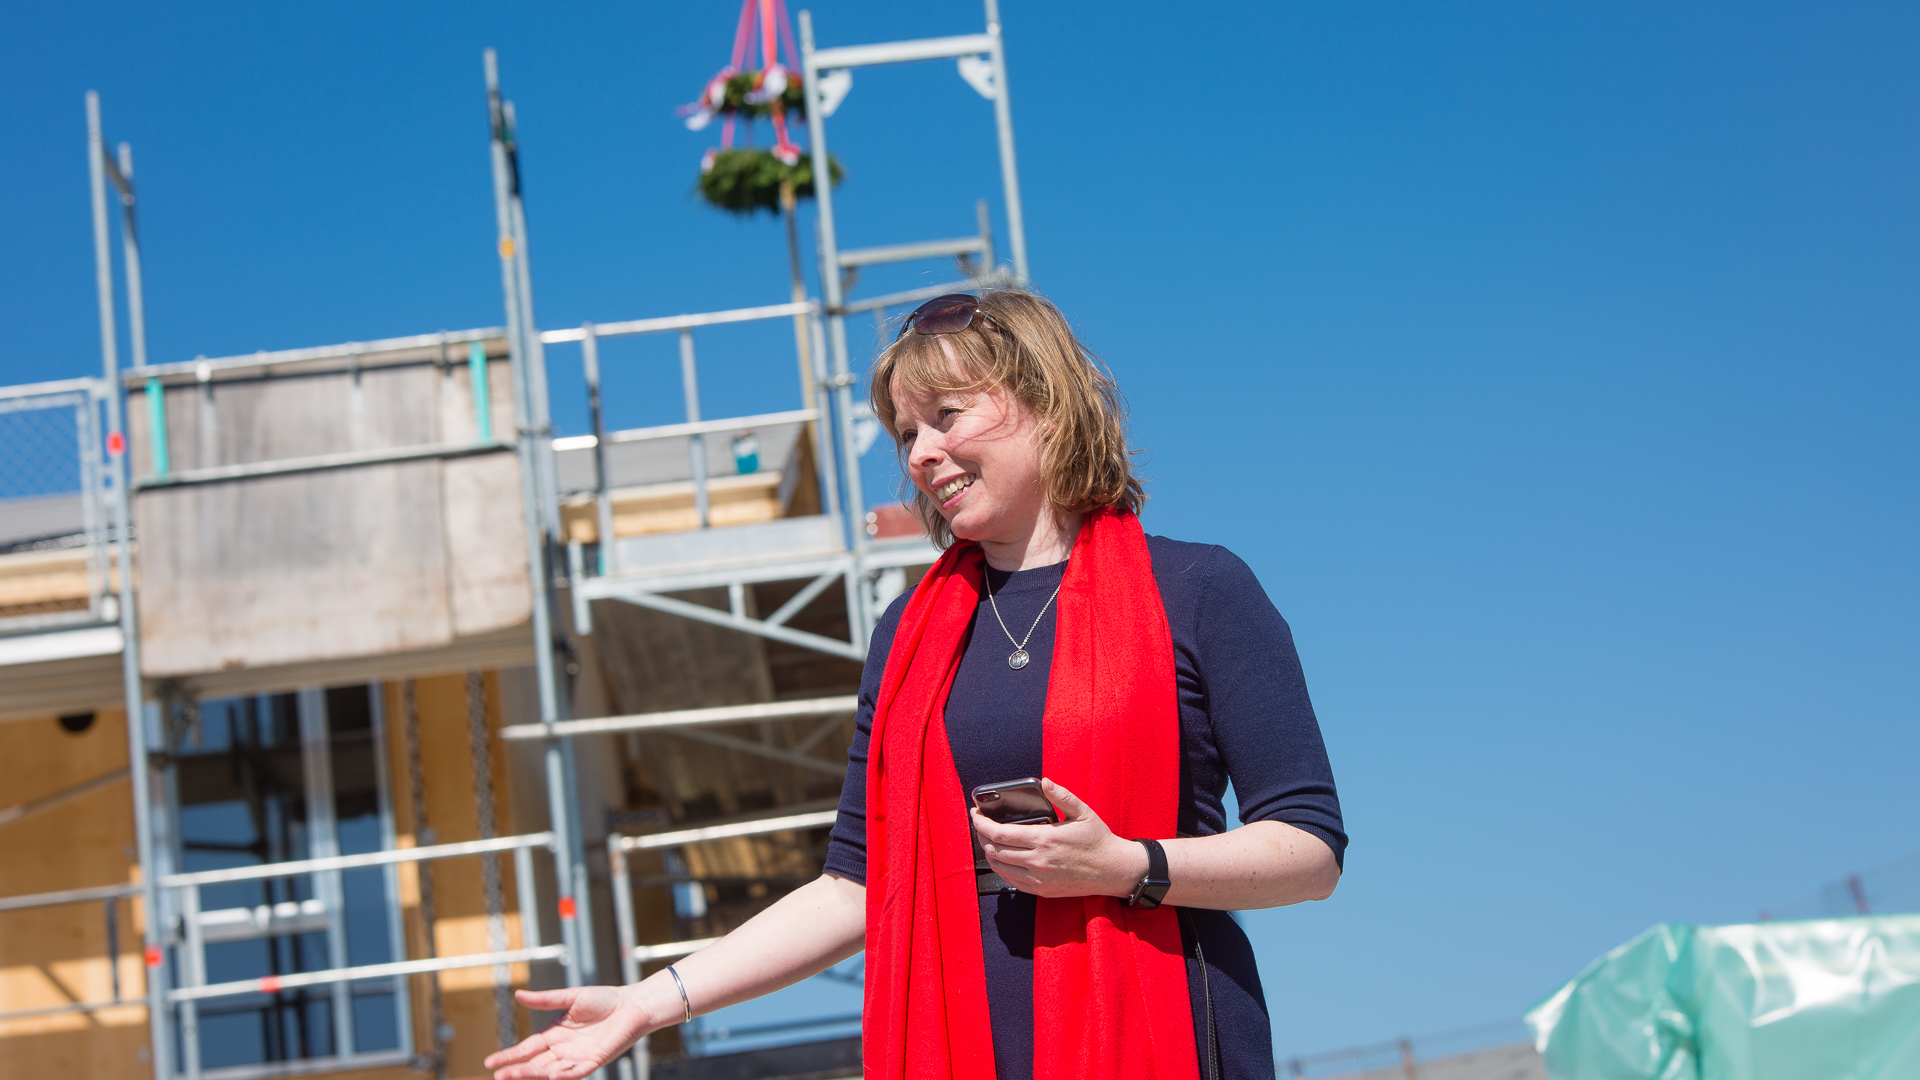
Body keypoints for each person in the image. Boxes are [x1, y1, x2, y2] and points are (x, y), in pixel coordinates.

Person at [485, 290, 1346, 1080]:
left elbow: (1309, 852)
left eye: (946, 416)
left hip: (1164, 1027)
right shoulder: (907, 635)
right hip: (961, 1040)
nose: (922, 454)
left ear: (1046, 403)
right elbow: (854, 886)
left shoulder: (1197, 589)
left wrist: (1125, 865)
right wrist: (649, 1001)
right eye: (906, 434)